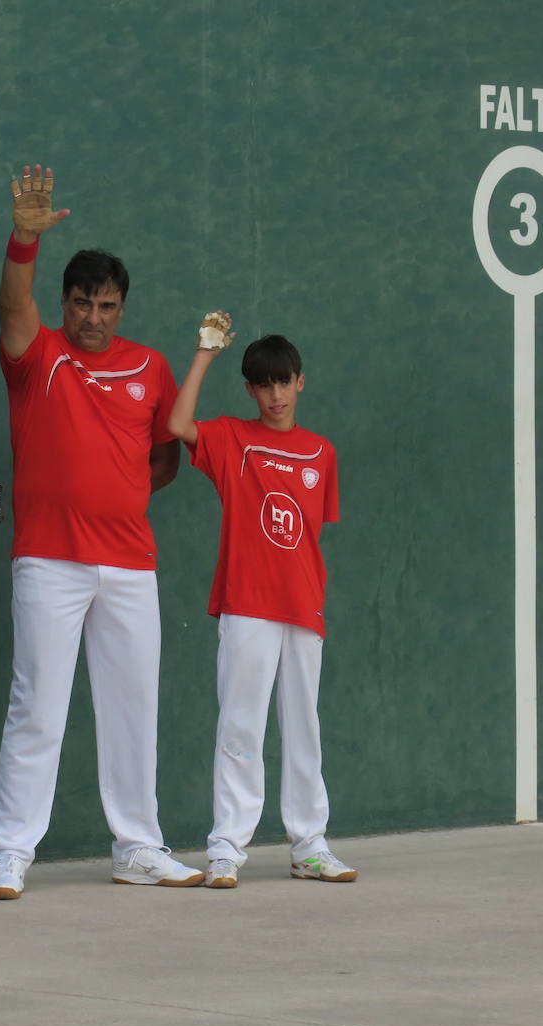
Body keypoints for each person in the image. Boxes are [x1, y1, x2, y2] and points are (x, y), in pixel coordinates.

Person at [0, 165, 201, 901]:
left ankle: (138, 845)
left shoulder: (151, 366)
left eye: (107, 305)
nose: (94, 318)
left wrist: (128, 495)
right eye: (82, 303)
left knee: (134, 706)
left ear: (121, 305)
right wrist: (23, 241)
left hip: (131, 564)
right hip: (49, 560)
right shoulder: (38, 356)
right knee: (38, 705)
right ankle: (12, 851)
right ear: (66, 303)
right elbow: (13, 309)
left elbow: (164, 454)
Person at [167, 322, 354, 888]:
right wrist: (204, 355)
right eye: (264, 385)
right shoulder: (232, 439)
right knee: (240, 724)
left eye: (284, 383)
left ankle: (310, 846)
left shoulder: (321, 452)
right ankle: (225, 847)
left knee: (304, 726)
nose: (275, 395)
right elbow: (177, 424)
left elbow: (309, 530)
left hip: (303, 606)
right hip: (246, 603)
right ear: (250, 389)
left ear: (301, 383)